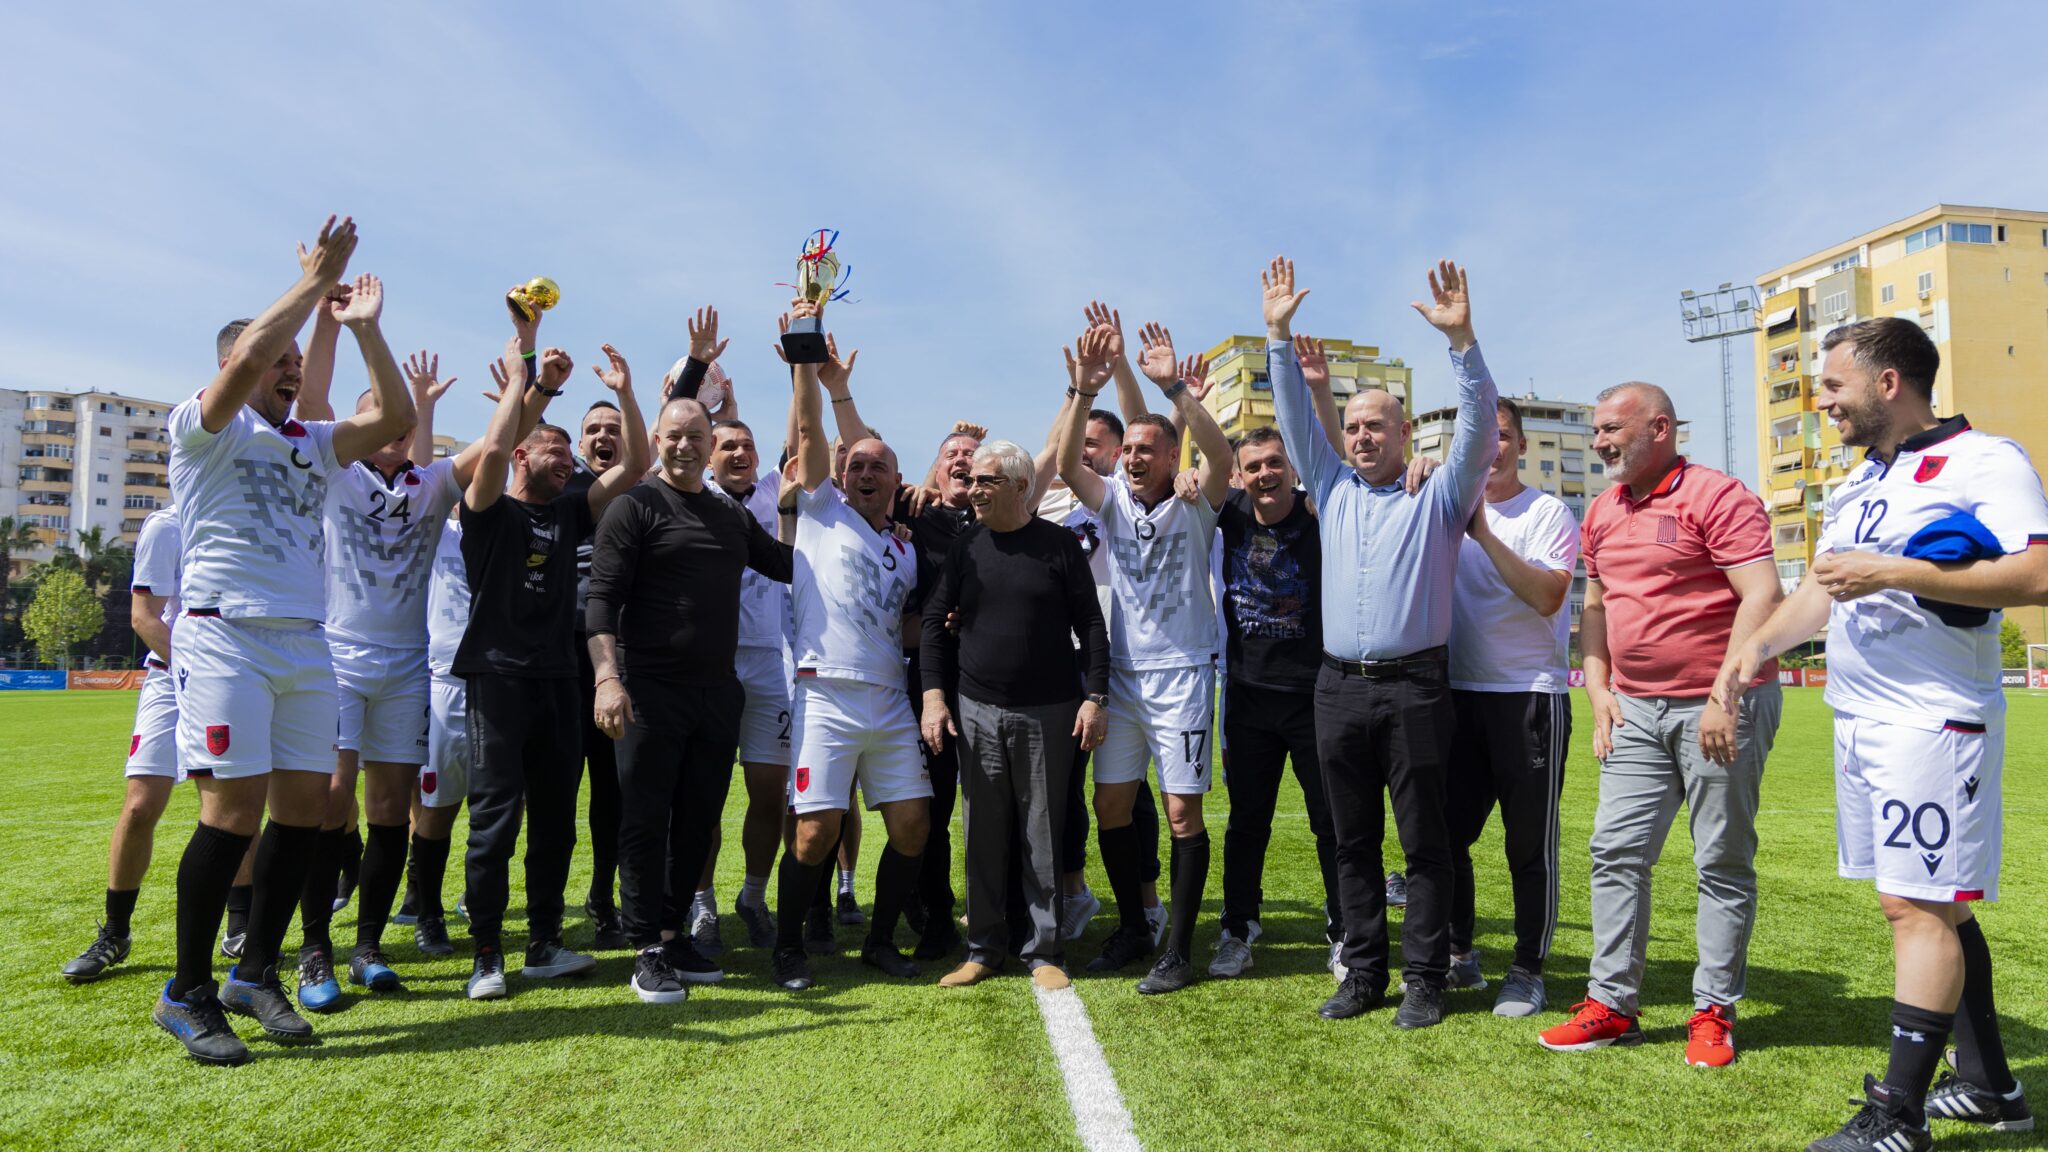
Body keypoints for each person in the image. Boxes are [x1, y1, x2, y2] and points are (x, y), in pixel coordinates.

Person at [1716, 319, 2046, 1151]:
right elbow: (1822, 595)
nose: (1821, 401)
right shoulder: (1859, 483)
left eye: (1831, 385)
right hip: (1859, 720)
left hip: (1932, 720)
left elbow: (2038, 573)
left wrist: (1892, 570)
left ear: (1888, 382)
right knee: (1932, 906)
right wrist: (1749, 651)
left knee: (1918, 906)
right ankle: (1992, 1089)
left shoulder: (1986, 460)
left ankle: (1897, 1117)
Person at [152, 217, 415, 1066]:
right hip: (226, 639)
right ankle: (187, 990)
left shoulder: (312, 443)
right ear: (239, 366)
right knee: (230, 817)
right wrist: (313, 284)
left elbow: (397, 416)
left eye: (299, 366)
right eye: (279, 361)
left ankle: (253, 973)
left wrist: (367, 332)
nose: (291, 372)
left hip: (307, 645)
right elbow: (242, 363)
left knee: (304, 817)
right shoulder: (202, 429)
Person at [1263, 256, 1498, 1029]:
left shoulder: (1439, 496)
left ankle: (1425, 978)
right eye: (1353, 427)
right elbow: (1299, 420)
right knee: (1350, 840)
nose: (1362, 437)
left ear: (1405, 432)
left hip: (1415, 688)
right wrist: (1276, 333)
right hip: (1338, 687)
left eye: (1377, 426)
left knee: (1425, 842)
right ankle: (1363, 973)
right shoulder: (1327, 488)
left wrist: (1461, 343)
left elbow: (1481, 427)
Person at [1536, 380, 1783, 1065]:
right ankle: (1612, 1005)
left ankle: (1713, 1012)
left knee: (1721, 861)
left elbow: (1761, 594)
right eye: (1596, 432)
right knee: (1615, 851)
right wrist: (1598, 687)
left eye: (1612, 428)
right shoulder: (1603, 509)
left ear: (1661, 428)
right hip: (1637, 709)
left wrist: (1724, 694)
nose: (1600, 442)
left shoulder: (1717, 495)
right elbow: (1595, 606)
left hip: (1722, 702)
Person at [288, 335, 537, 1010]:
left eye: (403, 420)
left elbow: (494, 449)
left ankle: (368, 947)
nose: (395, 427)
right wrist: (337, 323)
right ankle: (315, 951)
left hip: (406, 668)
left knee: (391, 809)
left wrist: (524, 370)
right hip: (338, 659)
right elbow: (311, 399)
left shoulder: (430, 486)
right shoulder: (335, 471)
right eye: (380, 415)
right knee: (332, 800)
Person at [454, 336, 646, 1001]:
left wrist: (625, 392)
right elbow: (486, 457)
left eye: (571, 453)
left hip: (559, 678)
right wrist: (524, 378)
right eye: (554, 451)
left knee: (557, 822)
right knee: (495, 822)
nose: (568, 462)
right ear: (519, 456)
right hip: (497, 676)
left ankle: (542, 944)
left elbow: (637, 464)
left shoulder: (571, 509)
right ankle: (486, 955)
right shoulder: (486, 510)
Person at [587, 395, 794, 1003]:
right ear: (657, 438)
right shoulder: (634, 506)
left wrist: (837, 518)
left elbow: (784, 563)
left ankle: (674, 931)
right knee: (647, 819)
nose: (685, 445)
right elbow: (600, 601)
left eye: (695, 435)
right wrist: (607, 678)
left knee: (699, 817)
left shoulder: (728, 513)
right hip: (649, 689)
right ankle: (645, 946)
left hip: (716, 692)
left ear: (710, 441)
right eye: (673, 435)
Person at [1057, 318, 1232, 994]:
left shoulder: (1198, 502)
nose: (1131, 457)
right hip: (1123, 681)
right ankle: (1136, 926)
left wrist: (1177, 391)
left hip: (1183, 675)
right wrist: (1081, 389)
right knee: (1111, 806)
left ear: (1172, 457)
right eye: (1127, 448)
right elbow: (1072, 463)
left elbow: (1217, 457)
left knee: (1182, 814)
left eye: (1145, 449)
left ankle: (1179, 951)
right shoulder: (1110, 506)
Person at [768, 301, 931, 992]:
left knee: (914, 828)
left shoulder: (906, 547)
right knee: (813, 834)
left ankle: (881, 942)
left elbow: (909, 625)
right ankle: (788, 947)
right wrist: (810, 364)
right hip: (825, 692)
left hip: (890, 699)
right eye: (854, 463)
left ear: (897, 482)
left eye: (879, 467)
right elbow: (812, 432)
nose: (865, 472)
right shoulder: (822, 510)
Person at [918, 439, 1109, 988]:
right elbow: (935, 622)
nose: (973, 490)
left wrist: (1095, 697)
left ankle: (1045, 950)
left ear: (1021, 487)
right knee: (982, 830)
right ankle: (982, 948)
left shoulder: (1058, 545)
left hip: (1050, 709)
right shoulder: (967, 545)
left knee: (1042, 832)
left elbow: (1092, 625)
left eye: (986, 481)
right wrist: (935, 697)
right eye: (972, 480)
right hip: (976, 708)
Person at [1444, 397, 1578, 1017]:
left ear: (1521, 446)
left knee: (1528, 846)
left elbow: (1548, 596)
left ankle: (1528, 969)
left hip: (1528, 697)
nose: (1492, 447)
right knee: (1445, 836)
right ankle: (1459, 952)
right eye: (1480, 436)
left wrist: (1484, 535)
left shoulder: (1546, 512)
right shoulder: (1446, 508)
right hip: (1455, 695)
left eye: (1502, 436)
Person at [1205, 426, 1342, 982]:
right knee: (1247, 823)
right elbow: (1179, 472)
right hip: (1247, 697)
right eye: (1254, 466)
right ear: (1238, 474)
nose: (1265, 474)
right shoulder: (1228, 511)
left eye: (1274, 463)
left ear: (1291, 468)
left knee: (1331, 822)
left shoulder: (1320, 513)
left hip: (1315, 697)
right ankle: (1238, 929)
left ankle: (1346, 930)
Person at [61, 503, 184, 982]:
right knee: (139, 806)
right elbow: (143, 618)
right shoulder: (166, 524)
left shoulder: (245, 510)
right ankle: (115, 932)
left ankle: (238, 926)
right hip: (171, 676)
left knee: (233, 802)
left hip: (233, 678)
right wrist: (196, 668)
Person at [701, 418, 796, 953]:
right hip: (710, 662)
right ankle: (701, 906)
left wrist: (800, 361)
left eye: (747, 445)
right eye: (728, 445)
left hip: (766, 662)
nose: (740, 453)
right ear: (709, 455)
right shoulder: (695, 495)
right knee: (704, 794)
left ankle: (754, 897)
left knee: (769, 794)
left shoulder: (770, 492)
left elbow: (800, 431)